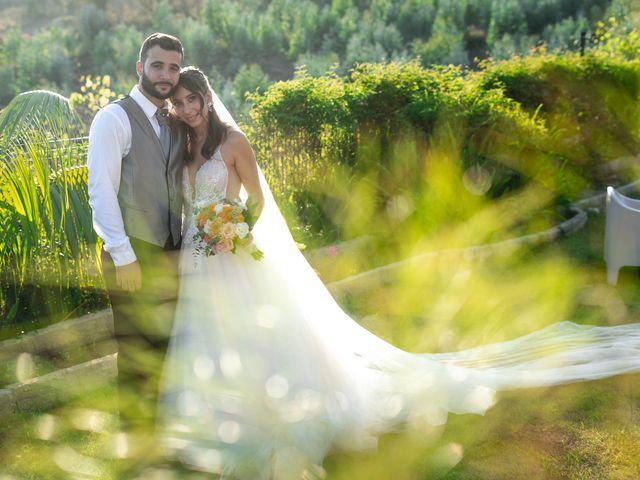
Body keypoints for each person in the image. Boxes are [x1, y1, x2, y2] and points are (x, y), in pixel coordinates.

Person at [158, 67, 640, 479]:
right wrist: (203, 239)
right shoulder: (182, 146)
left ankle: (277, 409)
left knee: (263, 331)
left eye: (192, 98)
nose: (187, 106)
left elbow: (258, 199)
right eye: (179, 101)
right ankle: (214, 415)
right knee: (211, 330)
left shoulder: (234, 142)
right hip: (204, 259)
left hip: (237, 253)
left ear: (206, 98)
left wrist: (235, 232)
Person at [87, 33, 185, 473]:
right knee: (135, 352)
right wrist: (123, 255)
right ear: (139, 67)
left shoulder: (174, 119)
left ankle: (158, 438)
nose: (166, 75)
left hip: (169, 251)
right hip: (132, 254)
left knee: (163, 347)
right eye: (158, 66)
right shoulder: (114, 118)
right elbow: (100, 191)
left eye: (173, 68)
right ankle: (134, 449)